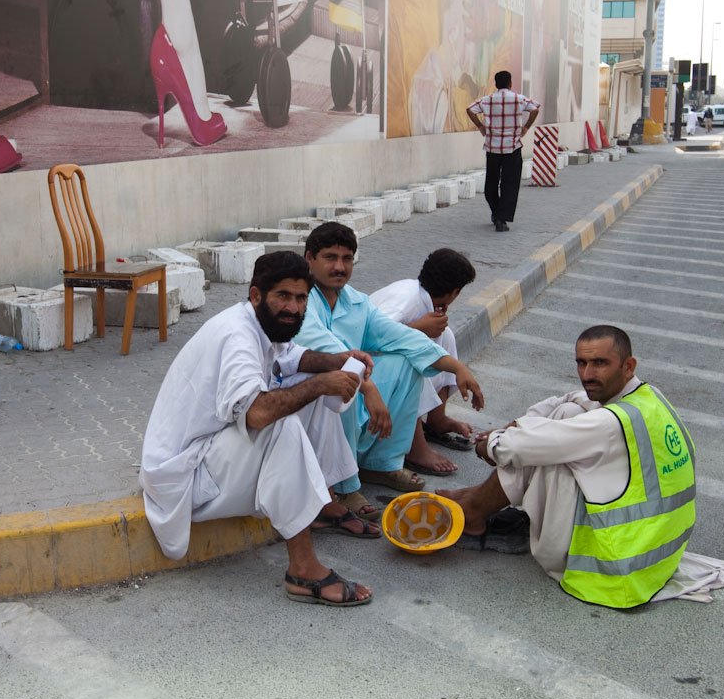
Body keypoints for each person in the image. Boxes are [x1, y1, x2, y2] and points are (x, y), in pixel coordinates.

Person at [441, 325, 724, 608]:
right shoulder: (648, 397)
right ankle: (475, 498)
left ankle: (473, 511)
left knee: (544, 451)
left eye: (600, 363)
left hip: (615, 567)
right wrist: (519, 423)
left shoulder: (609, 423)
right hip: (653, 550)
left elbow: (513, 449)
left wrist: (490, 441)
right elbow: (573, 399)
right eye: (581, 363)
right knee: (567, 412)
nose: (587, 374)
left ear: (628, 366)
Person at [139, 251, 378, 607]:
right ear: (255, 296)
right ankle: (302, 569)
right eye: (283, 296)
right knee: (283, 424)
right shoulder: (237, 336)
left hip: (212, 456)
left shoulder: (262, 323)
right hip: (187, 478)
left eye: (300, 299)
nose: (294, 308)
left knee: (312, 385)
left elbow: (290, 358)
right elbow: (257, 415)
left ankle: (322, 504)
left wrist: (339, 361)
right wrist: (320, 384)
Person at [296, 222, 485, 519]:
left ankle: (380, 462)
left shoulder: (355, 301)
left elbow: (399, 337)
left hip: (351, 386)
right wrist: (367, 388)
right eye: (330, 258)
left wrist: (456, 366)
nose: (339, 267)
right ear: (310, 259)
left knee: (405, 360)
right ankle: (343, 486)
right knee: (340, 383)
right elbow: (325, 349)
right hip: (307, 399)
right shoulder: (300, 299)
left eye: (346, 259)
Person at [369, 248, 479, 478]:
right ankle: (415, 448)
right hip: (367, 374)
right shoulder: (407, 299)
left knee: (444, 335)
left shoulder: (422, 297)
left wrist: (425, 329)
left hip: (380, 367)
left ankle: (436, 419)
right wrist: (418, 328)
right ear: (454, 292)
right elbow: (370, 341)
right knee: (411, 360)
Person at [465, 70, 540, 232]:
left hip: (492, 148)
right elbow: (535, 109)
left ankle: (495, 212)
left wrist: (480, 126)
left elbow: (469, 109)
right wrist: (526, 127)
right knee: (510, 184)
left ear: (496, 84)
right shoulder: (519, 99)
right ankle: (501, 219)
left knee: (491, 184)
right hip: (512, 148)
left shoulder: (487, 100)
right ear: (510, 83)